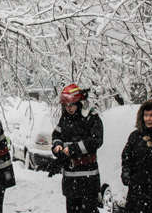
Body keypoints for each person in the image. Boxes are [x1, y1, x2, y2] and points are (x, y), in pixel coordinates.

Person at [51, 83, 103, 213]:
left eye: (72, 105)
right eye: (66, 105)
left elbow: (96, 141)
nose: (69, 108)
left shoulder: (91, 118)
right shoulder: (65, 119)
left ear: (79, 103)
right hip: (70, 179)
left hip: (88, 178)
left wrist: (73, 149)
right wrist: (57, 145)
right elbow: (57, 134)